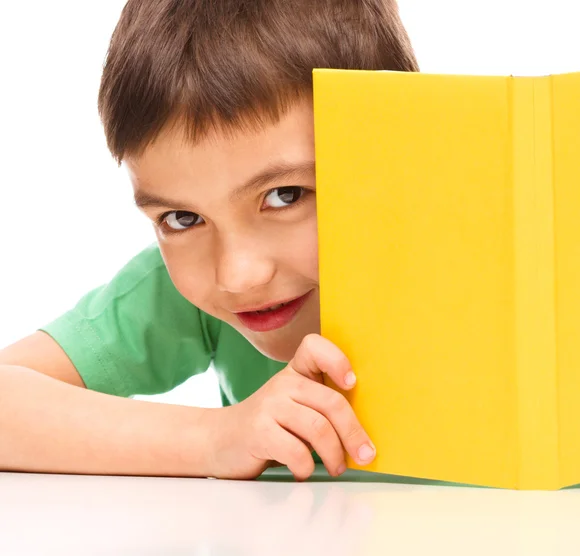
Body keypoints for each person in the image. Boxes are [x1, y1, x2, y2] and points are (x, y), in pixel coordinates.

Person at [0, 0, 419, 481]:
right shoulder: (187, 296)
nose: (238, 276)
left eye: (285, 195)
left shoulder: (503, 269)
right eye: (182, 218)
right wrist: (213, 438)